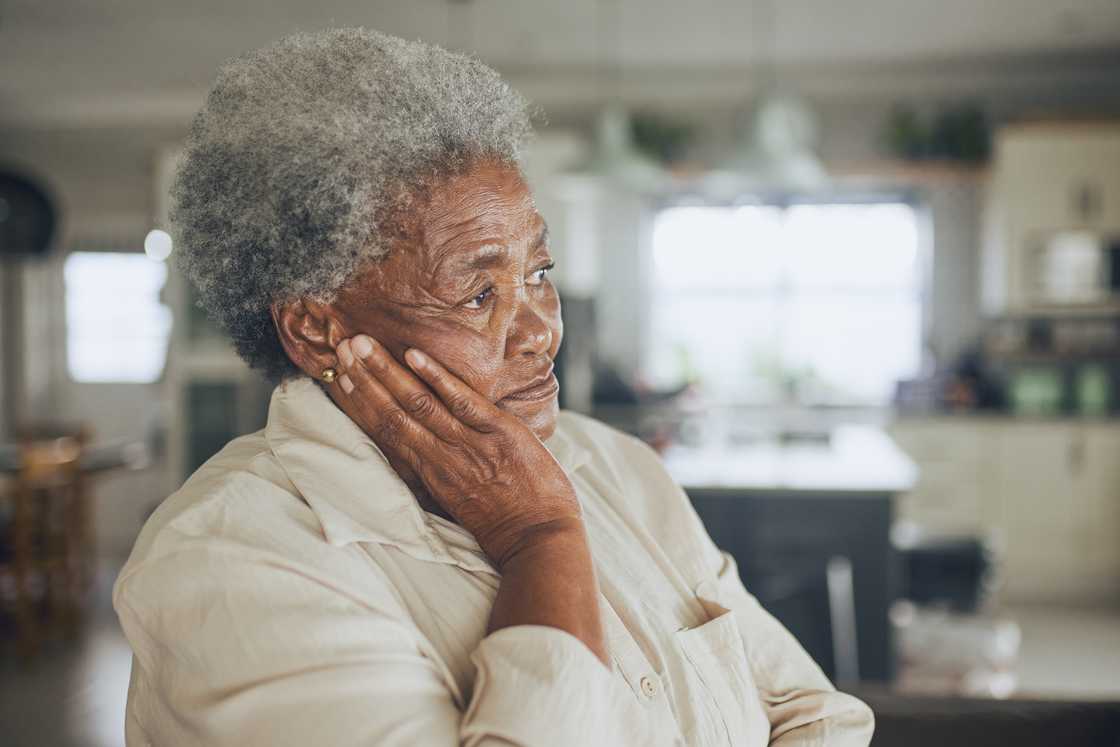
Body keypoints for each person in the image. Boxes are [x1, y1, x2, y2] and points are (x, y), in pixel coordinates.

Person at [113, 26, 875, 746]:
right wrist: (540, 542)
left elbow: (819, 714)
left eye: (539, 273)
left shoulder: (612, 465)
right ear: (317, 329)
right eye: (478, 295)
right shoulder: (231, 561)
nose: (542, 327)